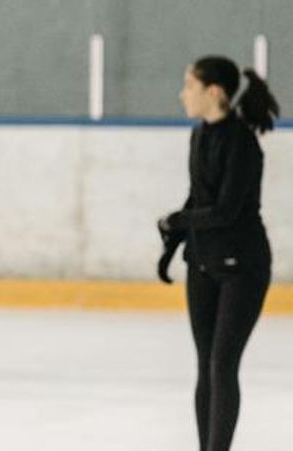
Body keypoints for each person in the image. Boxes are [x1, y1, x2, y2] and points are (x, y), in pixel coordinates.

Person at [159, 55, 279, 451]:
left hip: (242, 265)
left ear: (214, 92)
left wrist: (179, 221)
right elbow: (199, 196)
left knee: (222, 365)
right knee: (205, 365)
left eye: (189, 86)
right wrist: (174, 243)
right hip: (203, 262)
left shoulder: (241, 142)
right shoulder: (199, 135)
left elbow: (226, 210)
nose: (182, 94)